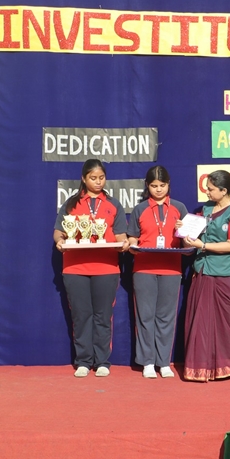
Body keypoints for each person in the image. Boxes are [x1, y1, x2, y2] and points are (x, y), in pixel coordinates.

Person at [53, 158, 129, 378]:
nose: (98, 182)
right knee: (81, 316)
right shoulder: (71, 204)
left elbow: (120, 235)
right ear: (84, 179)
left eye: (101, 178)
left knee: (103, 316)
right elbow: (58, 231)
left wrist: (124, 243)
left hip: (106, 268)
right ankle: (84, 361)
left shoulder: (114, 204)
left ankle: (102, 361)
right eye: (93, 178)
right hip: (75, 268)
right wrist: (59, 241)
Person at [181, 170, 230, 382]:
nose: (207, 192)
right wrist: (183, 232)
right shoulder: (205, 210)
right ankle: (203, 367)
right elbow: (189, 240)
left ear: (224, 190)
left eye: (211, 189)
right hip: (204, 270)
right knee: (202, 322)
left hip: (229, 274)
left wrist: (202, 245)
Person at [126, 166, 188, 379]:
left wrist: (183, 230)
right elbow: (132, 237)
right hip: (144, 268)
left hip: (171, 269)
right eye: (154, 186)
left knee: (166, 317)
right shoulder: (140, 208)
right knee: (145, 316)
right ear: (147, 186)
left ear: (168, 185)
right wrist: (133, 245)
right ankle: (148, 362)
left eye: (162, 185)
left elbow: (188, 241)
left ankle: (164, 362)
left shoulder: (179, 208)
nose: (158, 189)